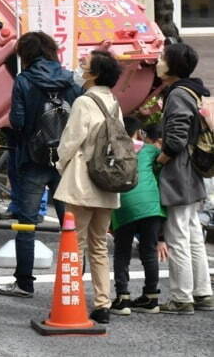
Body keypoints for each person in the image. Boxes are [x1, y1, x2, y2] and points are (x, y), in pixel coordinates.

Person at [0, 32, 82, 299]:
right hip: (65, 161)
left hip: (32, 159)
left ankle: (24, 282)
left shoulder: (23, 81)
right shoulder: (71, 80)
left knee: (27, 223)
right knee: (70, 225)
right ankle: (74, 282)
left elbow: (18, 121)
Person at [53, 50, 124, 325]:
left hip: (82, 181)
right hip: (107, 183)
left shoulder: (84, 101)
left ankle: (70, 302)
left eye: (86, 63)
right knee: (98, 246)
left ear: (94, 74)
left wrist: (60, 164)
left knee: (74, 245)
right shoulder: (113, 101)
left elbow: (70, 141)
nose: (80, 63)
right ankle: (102, 303)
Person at [154, 41, 214, 315]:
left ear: (173, 65)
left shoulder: (177, 94)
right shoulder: (194, 91)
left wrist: (160, 160)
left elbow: (176, 138)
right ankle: (202, 293)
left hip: (178, 170)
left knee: (177, 233)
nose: (157, 62)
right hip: (194, 170)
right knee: (191, 233)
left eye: (162, 58)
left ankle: (181, 297)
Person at [111, 118, 167, 315]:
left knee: (122, 252)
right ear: (139, 133)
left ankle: (123, 298)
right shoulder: (150, 150)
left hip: (123, 204)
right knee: (149, 250)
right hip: (151, 205)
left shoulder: (113, 149)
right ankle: (151, 298)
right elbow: (162, 165)